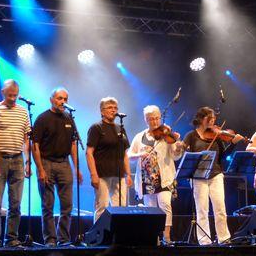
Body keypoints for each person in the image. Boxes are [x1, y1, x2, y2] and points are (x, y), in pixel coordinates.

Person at [31, 88, 83, 247]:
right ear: (52, 99)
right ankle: (50, 240)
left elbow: (73, 145)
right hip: (47, 163)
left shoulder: (69, 118)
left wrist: (77, 168)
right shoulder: (42, 118)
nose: (63, 102)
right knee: (48, 205)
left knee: (67, 205)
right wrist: (40, 169)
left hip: (64, 163)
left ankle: (64, 239)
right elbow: (35, 145)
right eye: (60, 98)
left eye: (65, 99)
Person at [128, 105, 184, 243]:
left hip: (164, 178)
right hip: (146, 179)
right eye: (151, 119)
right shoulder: (139, 137)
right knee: (151, 209)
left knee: (165, 204)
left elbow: (175, 156)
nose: (155, 122)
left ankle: (167, 237)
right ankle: (153, 238)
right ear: (146, 120)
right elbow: (129, 155)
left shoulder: (166, 135)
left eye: (157, 118)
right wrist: (140, 154)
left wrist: (178, 147)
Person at [0, 79, 31, 248]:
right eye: (10, 95)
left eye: (16, 95)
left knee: (15, 203)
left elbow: (27, 139)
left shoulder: (23, 111)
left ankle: (11, 238)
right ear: (2, 92)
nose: (13, 98)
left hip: (18, 159)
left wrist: (28, 162)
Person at [183, 107, 231, 245]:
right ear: (201, 119)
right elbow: (183, 153)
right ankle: (204, 240)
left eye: (214, 118)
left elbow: (224, 155)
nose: (213, 120)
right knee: (202, 209)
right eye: (209, 118)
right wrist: (179, 147)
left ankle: (224, 238)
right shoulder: (191, 136)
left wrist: (233, 143)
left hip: (216, 174)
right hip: (198, 176)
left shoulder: (216, 135)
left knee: (220, 208)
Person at [86, 97, 133, 222]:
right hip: (102, 174)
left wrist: (128, 174)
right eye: (110, 107)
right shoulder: (96, 128)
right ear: (102, 111)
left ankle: (118, 236)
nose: (113, 110)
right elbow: (89, 152)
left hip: (119, 174)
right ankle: (99, 238)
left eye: (115, 108)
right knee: (102, 206)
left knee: (121, 207)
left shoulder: (120, 128)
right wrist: (93, 174)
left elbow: (124, 154)